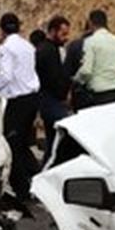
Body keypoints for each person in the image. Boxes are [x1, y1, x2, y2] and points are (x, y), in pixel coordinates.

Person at [0, 12, 40, 206]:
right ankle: (38, 181)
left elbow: (6, 75)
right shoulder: (28, 46)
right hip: (32, 98)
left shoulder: (7, 48)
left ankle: (22, 190)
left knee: (11, 145)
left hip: (18, 101)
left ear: (2, 29)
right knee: (22, 144)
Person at [35, 15, 71, 159]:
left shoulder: (48, 49)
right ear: (52, 31)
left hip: (48, 99)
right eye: (63, 34)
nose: (66, 38)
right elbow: (53, 79)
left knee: (52, 141)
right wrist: (64, 95)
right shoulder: (48, 51)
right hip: (50, 100)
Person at [74, 9, 115, 106]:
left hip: (100, 94)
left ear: (90, 23)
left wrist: (76, 79)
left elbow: (86, 71)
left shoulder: (90, 41)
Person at [63, 22, 93, 111]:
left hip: (80, 93)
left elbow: (67, 71)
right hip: (102, 93)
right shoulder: (106, 44)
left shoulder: (74, 45)